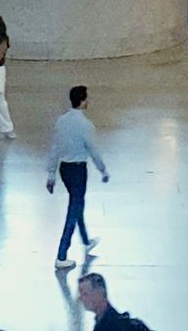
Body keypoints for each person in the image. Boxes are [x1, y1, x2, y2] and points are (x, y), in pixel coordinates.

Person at [47, 84, 109, 269]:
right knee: (74, 209)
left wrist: (51, 174)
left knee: (77, 201)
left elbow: (55, 148)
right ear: (82, 101)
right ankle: (62, 254)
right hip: (78, 170)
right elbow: (93, 150)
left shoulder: (61, 121)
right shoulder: (86, 125)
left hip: (64, 169)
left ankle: (85, 240)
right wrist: (103, 170)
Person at [75, 271, 151, 331]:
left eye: (85, 294)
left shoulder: (110, 326)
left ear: (99, 294)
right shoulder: (104, 321)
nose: (80, 299)